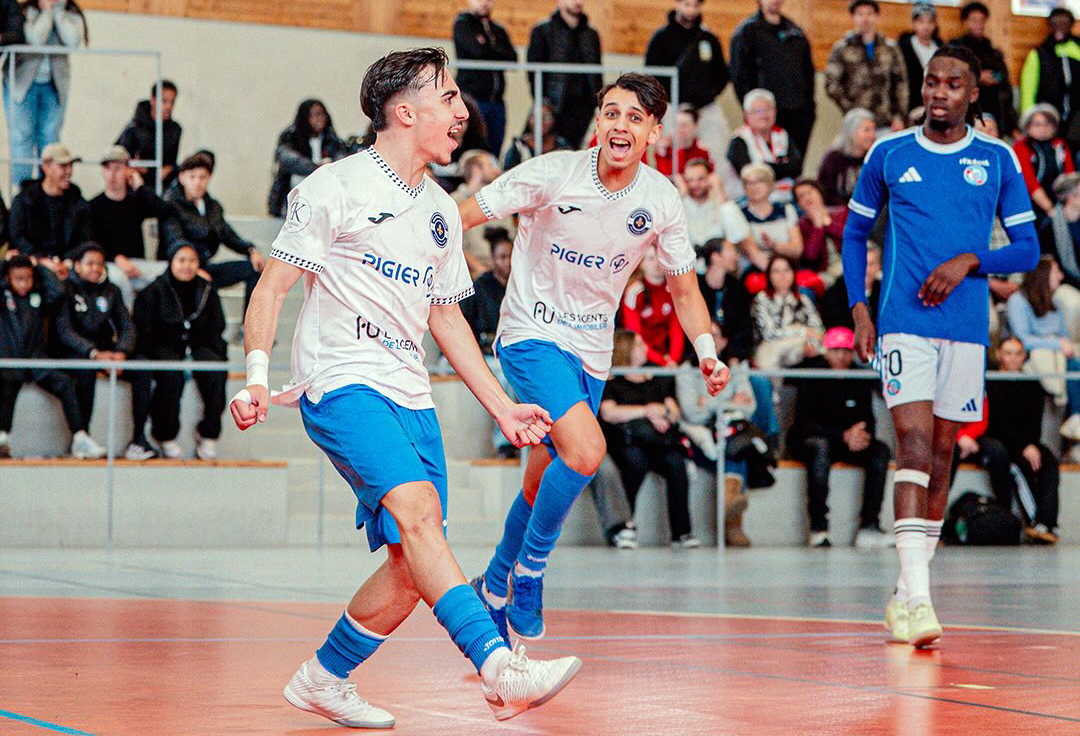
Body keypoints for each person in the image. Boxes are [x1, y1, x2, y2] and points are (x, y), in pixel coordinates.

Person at [229, 48, 580, 726]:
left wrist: (504, 407)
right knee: (417, 515)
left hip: (410, 393)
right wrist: (256, 376)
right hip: (342, 381)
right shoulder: (333, 187)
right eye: (447, 98)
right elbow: (270, 289)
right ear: (404, 110)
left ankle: (323, 678)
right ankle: (499, 668)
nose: (462, 111)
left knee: (412, 566)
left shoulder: (442, 210)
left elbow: (444, 318)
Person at [459, 73, 728, 641]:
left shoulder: (660, 199)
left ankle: (493, 583)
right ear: (598, 122)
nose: (620, 125)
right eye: (612, 113)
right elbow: (464, 215)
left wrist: (706, 350)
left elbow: (684, 290)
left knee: (539, 483)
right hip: (530, 335)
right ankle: (531, 571)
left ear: (653, 132)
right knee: (585, 450)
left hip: (591, 352)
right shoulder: (552, 172)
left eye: (635, 117)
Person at [844, 45, 1039, 649]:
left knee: (943, 455)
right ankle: (923, 599)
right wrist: (860, 307)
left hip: (967, 329)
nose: (938, 93)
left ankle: (905, 594)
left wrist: (970, 261)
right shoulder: (889, 152)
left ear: (973, 94)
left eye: (953, 85)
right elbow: (854, 232)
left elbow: (1028, 250)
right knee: (913, 443)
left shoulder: (997, 158)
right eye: (932, 82)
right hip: (902, 321)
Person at [788, 326, 892, 548]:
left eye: (847, 351)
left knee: (880, 451)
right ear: (826, 351)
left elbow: (868, 420)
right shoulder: (813, 374)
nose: (842, 356)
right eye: (836, 350)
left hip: (848, 443)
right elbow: (804, 424)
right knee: (819, 448)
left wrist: (861, 437)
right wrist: (842, 435)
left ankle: (870, 527)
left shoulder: (859, 377)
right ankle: (818, 528)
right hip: (813, 441)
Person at [53, 242, 155, 460]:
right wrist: (93, 353)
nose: (95, 268)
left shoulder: (111, 290)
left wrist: (121, 352)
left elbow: (127, 326)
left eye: (100, 264)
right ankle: (83, 438)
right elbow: (64, 331)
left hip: (108, 352)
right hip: (77, 352)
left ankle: (139, 439)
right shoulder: (65, 289)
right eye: (90, 263)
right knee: (85, 371)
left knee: (142, 368)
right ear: (77, 266)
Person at [599, 330, 699, 548]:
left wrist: (661, 412)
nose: (645, 349)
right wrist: (646, 411)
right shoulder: (613, 380)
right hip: (626, 440)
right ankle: (624, 525)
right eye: (639, 345)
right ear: (626, 349)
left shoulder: (654, 378)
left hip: (656, 440)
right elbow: (608, 413)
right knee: (635, 461)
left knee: (676, 463)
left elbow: (673, 411)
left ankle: (682, 532)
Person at [0, 255, 104, 459]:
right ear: (7, 278)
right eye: (18, 279)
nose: (24, 284)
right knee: (6, 385)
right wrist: (5, 262)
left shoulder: (39, 296)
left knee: (65, 384)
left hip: (36, 359)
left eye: (28, 278)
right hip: (9, 360)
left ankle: (80, 436)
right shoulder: (3, 297)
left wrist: (38, 266)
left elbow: (58, 291)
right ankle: (3, 435)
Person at [133, 244, 226, 461]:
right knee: (170, 374)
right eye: (181, 260)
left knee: (216, 370)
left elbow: (217, 326)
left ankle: (209, 432)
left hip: (200, 344)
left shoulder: (207, 290)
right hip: (165, 345)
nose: (187, 265)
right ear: (171, 262)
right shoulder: (155, 290)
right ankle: (165, 435)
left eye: (192, 260)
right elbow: (145, 328)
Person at [161, 152, 266, 310]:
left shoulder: (213, 206)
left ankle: (249, 323)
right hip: (183, 268)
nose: (197, 182)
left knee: (254, 269)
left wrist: (251, 250)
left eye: (202, 177)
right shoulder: (171, 205)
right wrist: (192, 267)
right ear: (182, 178)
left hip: (206, 266)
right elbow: (174, 240)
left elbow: (228, 236)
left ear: (209, 178)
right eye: (192, 177)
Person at [980, 337, 1059, 543]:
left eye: (1018, 353)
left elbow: (1035, 422)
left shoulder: (1032, 384)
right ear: (999, 355)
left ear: (1024, 356)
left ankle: (1047, 523)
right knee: (1017, 466)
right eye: (1008, 353)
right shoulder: (991, 382)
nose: (1013, 358)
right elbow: (995, 423)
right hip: (1003, 442)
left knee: (1050, 461)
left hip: (1028, 442)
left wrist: (1030, 444)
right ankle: (1034, 522)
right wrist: (1023, 446)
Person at [6, 0, 86, 186]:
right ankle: (23, 191)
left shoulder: (70, 13)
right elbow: (35, 38)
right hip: (22, 85)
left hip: (54, 87)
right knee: (21, 138)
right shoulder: (26, 11)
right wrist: (47, 12)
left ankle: (48, 189)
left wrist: (58, 12)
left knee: (50, 139)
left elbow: (73, 40)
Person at [1006, 256, 1080, 441]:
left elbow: (1064, 337)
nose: (1061, 276)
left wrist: (1060, 344)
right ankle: (1076, 413)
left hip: (1058, 355)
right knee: (1059, 359)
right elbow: (1022, 339)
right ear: (1043, 274)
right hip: (1030, 355)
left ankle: (1075, 415)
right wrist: (1055, 344)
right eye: (1056, 272)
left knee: (1073, 358)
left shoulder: (1056, 303)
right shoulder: (1018, 300)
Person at [729, 0, 816, 158]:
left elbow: (808, 74)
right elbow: (739, 75)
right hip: (765, 115)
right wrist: (754, 110)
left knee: (793, 165)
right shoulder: (747, 31)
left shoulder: (795, 32)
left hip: (797, 113)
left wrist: (809, 110)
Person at [88, 145, 172, 307]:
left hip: (137, 264)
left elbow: (164, 211)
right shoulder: (93, 206)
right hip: (109, 264)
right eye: (107, 168)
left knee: (171, 273)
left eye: (118, 168)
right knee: (120, 280)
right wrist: (117, 258)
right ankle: (127, 321)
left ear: (128, 170)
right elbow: (92, 242)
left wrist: (140, 187)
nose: (112, 174)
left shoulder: (136, 201)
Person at [644, 0, 730, 158]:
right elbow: (652, 74)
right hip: (673, 108)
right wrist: (666, 100)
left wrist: (709, 94)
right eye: (687, 5)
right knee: (673, 157)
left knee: (717, 153)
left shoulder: (709, 38)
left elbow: (722, 73)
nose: (691, 10)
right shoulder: (661, 38)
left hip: (705, 108)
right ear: (677, 4)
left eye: (695, 6)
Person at [526, 0, 602, 148]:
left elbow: (596, 73)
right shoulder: (543, 30)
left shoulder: (591, 34)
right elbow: (533, 72)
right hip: (554, 104)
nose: (578, 1)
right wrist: (542, 102)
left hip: (584, 106)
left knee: (577, 150)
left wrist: (597, 101)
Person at [825, 0, 908, 133]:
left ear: (877, 16)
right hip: (856, 124)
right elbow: (831, 85)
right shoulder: (842, 49)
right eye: (860, 14)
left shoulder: (890, 48)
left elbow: (901, 84)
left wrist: (899, 116)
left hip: (886, 121)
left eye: (869, 13)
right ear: (853, 17)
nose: (865, 19)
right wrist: (851, 110)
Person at [9, 142, 90, 272]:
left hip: (69, 266)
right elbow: (18, 237)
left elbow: (84, 238)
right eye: (63, 166)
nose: (69, 171)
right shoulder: (24, 200)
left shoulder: (77, 202)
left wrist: (67, 263)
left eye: (71, 165)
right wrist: (41, 260)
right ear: (46, 167)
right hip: (32, 265)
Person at [453, 0, 517, 155]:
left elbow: (512, 59)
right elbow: (478, 52)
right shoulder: (463, 24)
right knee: (475, 149)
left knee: (494, 151)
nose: (484, 3)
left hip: (497, 101)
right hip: (473, 99)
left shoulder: (498, 29)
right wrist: (496, 50)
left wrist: (486, 45)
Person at [267, 99, 347, 218]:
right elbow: (287, 159)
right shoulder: (291, 137)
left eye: (322, 114)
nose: (320, 119)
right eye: (315, 115)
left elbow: (342, 162)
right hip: (294, 197)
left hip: (324, 199)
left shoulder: (332, 139)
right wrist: (317, 167)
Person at [739, 163, 809, 294]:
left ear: (770, 184)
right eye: (749, 183)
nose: (754, 187)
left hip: (789, 268)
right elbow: (750, 253)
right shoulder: (739, 214)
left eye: (759, 181)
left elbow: (797, 249)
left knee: (806, 291)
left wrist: (774, 245)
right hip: (756, 271)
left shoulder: (786, 210)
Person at [950, 2, 1017, 138]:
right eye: (974, 20)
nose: (979, 24)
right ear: (965, 22)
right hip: (964, 114)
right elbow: (949, 75)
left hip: (993, 113)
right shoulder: (955, 49)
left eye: (982, 20)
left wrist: (1011, 124)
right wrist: (977, 77)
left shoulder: (993, 52)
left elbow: (1004, 83)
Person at [1020, 8, 1080, 154]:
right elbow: (1028, 90)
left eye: (1064, 23)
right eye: (1055, 23)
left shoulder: (1077, 49)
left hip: (1076, 116)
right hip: (1049, 117)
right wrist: (1028, 120)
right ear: (1050, 25)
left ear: (1071, 25)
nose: (1059, 27)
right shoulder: (1039, 53)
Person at [727, 89, 803, 198]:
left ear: (775, 112)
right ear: (746, 115)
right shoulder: (739, 140)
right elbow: (750, 175)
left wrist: (765, 167)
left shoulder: (782, 134)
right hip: (749, 199)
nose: (763, 115)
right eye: (757, 111)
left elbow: (796, 167)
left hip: (787, 195)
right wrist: (782, 168)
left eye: (768, 110)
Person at [752, 254, 823, 368]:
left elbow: (817, 329)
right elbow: (769, 333)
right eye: (776, 271)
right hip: (772, 349)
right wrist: (802, 331)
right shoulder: (762, 299)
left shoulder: (803, 299)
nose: (782, 275)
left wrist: (811, 344)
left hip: (801, 350)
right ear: (769, 275)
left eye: (786, 270)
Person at [451, 149, 513, 275]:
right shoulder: (454, 202)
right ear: (476, 170)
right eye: (490, 166)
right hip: (471, 273)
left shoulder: (500, 201)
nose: (497, 171)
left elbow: (512, 237)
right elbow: (453, 246)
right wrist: (480, 271)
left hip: (504, 271)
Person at [622, 245, 685, 367]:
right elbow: (635, 335)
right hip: (642, 357)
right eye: (651, 259)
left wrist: (673, 359)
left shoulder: (673, 290)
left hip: (670, 358)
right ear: (641, 264)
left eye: (660, 258)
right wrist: (661, 361)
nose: (657, 263)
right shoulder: (634, 292)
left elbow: (677, 329)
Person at [1013, 104, 1074, 223]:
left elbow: (1070, 176)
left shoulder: (1060, 145)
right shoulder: (1022, 146)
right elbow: (1029, 182)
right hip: (1031, 203)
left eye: (1047, 124)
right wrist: (1050, 209)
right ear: (1028, 127)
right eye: (1037, 124)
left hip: (1060, 200)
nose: (1043, 128)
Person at [116, 80, 182, 186]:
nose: (169, 106)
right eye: (164, 101)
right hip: (134, 182)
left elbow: (171, 164)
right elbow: (118, 156)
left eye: (172, 102)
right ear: (153, 100)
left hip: (162, 183)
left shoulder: (175, 130)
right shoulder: (134, 127)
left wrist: (165, 169)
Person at [680, 158, 750, 253]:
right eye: (690, 180)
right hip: (692, 258)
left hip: (721, 256)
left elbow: (739, 234)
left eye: (700, 179)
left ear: (710, 178)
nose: (695, 184)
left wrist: (719, 191)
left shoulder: (721, 202)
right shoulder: (680, 203)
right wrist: (681, 195)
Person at [794, 178, 848, 287]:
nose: (807, 198)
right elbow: (811, 255)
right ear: (798, 204)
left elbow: (847, 235)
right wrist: (817, 226)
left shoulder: (841, 212)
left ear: (820, 193)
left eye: (810, 192)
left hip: (849, 262)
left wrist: (827, 223)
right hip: (826, 272)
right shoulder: (802, 225)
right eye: (801, 196)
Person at [817, 108, 876, 207]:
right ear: (851, 131)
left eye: (874, 130)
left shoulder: (873, 157)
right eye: (867, 130)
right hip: (839, 210)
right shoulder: (833, 158)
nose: (872, 135)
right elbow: (825, 192)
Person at [821, 243, 880, 331]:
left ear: (879, 266)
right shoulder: (835, 293)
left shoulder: (884, 292)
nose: (865, 270)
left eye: (871, 264)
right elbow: (836, 327)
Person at [501, 99, 573, 171]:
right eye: (535, 117)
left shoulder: (562, 145)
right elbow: (508, 172)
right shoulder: (519, 146)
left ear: (554, 119)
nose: (541, 122)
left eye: (547, 117)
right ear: (529, 119)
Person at [897, 4, 941, 117]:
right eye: (921, 22)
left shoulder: (941, 49)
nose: (926, 26)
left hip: (937, 106)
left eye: (930, 22)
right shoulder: (902, 49)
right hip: (910, 109)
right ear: (914, 23)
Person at [654, 104, 714, 177]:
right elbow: (666, 175)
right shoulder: (666, 149)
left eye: (684, 125)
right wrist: (679, 149)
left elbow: (706, 176)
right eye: (676, 124)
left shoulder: (702, 151)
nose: (679, 129)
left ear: (695, 126)